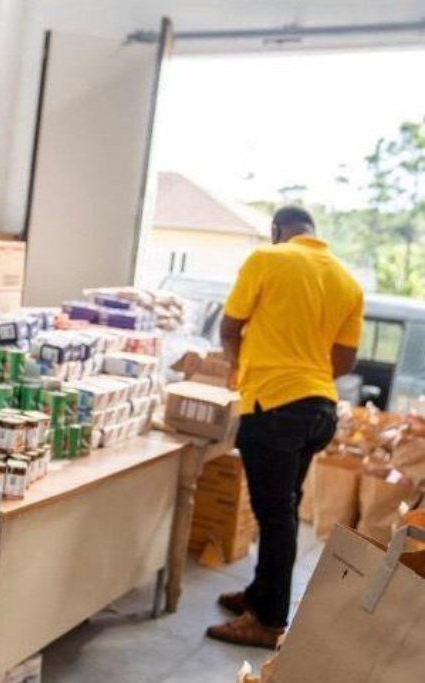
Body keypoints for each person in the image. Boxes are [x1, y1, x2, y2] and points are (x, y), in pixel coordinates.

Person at [207, 206, 364, 649]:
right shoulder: (347, 281)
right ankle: (259, 596)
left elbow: (229, 326)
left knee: (275, 517)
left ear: (278, 231)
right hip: (320, 411)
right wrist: (306, 372)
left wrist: (242, 367)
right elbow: (346, 360)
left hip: (274, 408)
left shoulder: (267, 259)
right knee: (284, 510)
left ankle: (269, 621)